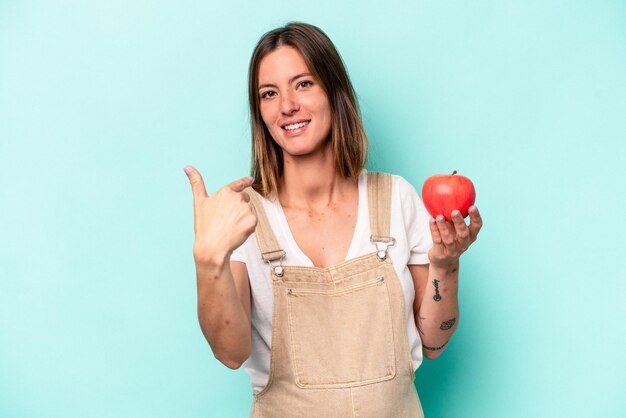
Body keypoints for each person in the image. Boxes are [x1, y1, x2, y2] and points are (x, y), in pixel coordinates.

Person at [184, 22, 482, 418]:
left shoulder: (396, 198)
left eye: (303, 84)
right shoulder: (243, 216)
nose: (287, 104)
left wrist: (447, 264)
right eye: (269, 94)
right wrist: (208, 262)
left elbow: (434, 342)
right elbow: (230, 353)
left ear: (334, 91)